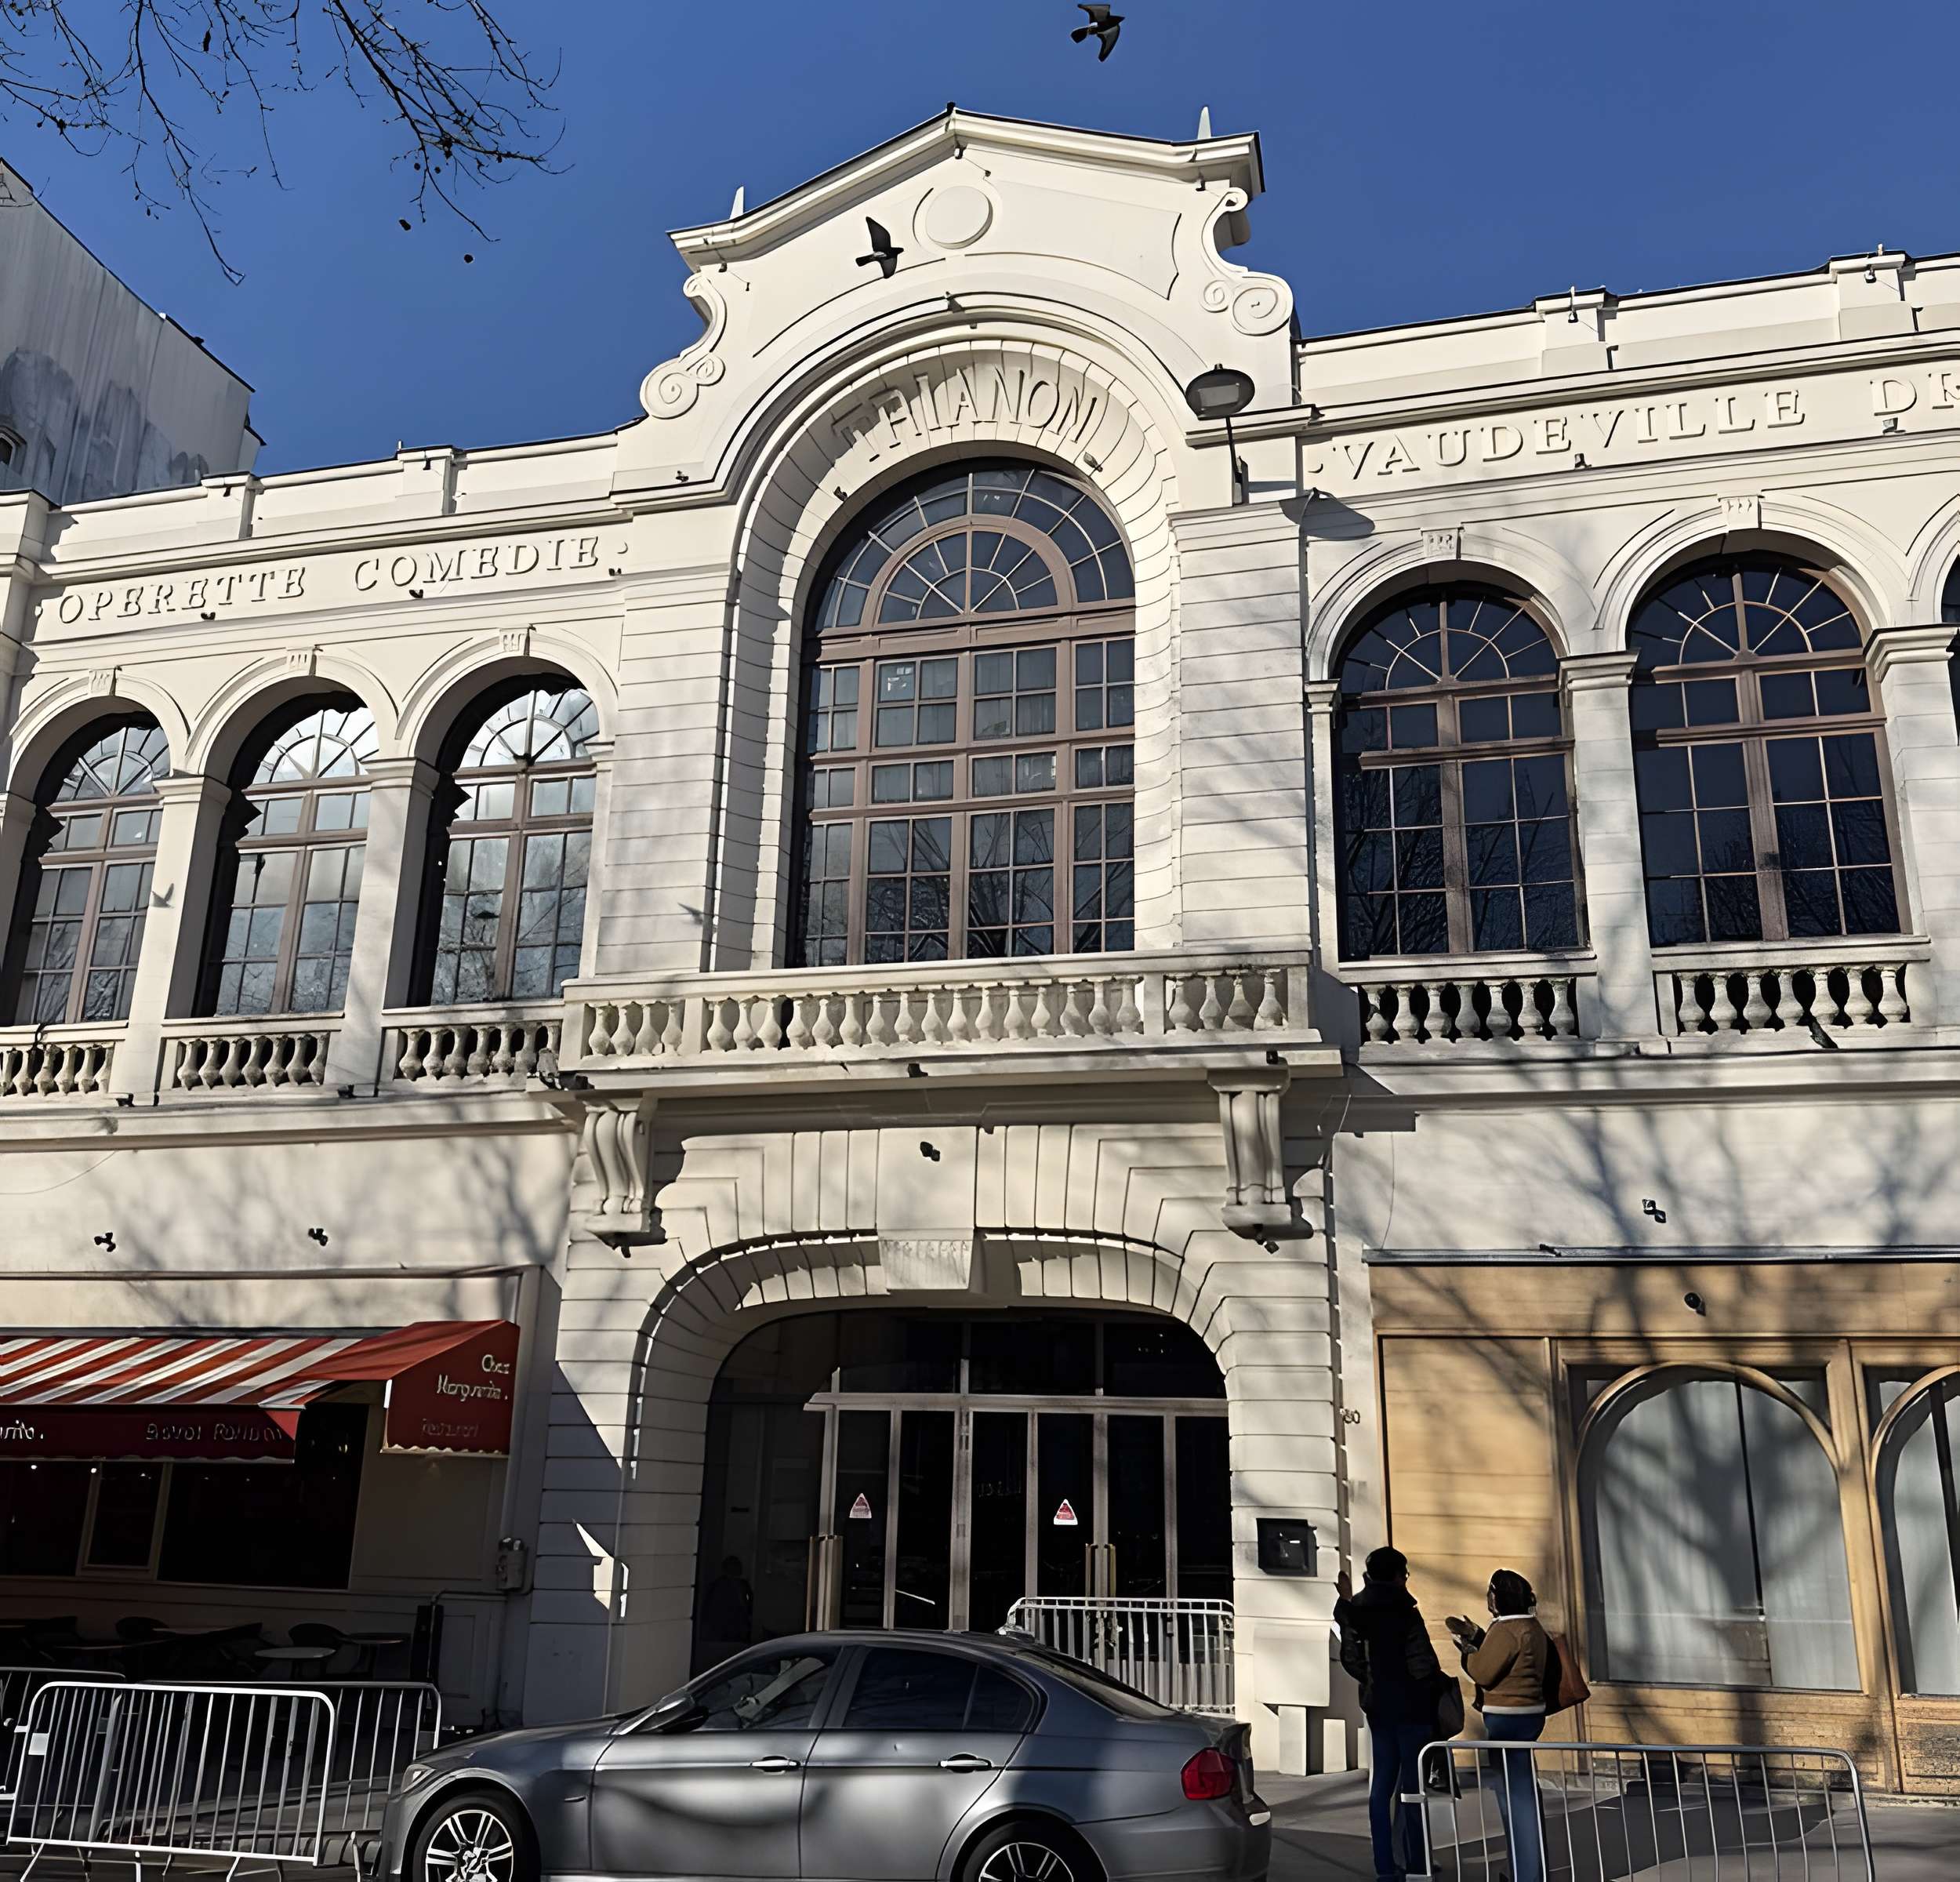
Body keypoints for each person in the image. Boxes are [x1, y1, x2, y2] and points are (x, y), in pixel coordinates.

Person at [1336, 1546, 1446, 1882]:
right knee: (1413, 1789)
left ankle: (1385, 1865)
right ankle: (1417, 1862)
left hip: (1379, 1709)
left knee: (1381, 1787)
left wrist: (1372, 1683)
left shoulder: (1357, 1610)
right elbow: (1423, 1663)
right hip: (1412, 1710)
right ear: (1399, 1576)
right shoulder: (1405, 1610)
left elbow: (1351, 1660)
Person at [1446, 1569, 1550, 1882]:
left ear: (1496, 1599)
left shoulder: (1506, 1630)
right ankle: (1528, 1869)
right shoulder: (1532, 1626)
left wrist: (1467, 1652)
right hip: (1531, 1714)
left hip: (1507, 1717)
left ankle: (1526, 1873)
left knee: (1514, 1798)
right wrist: (1480, 1636)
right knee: (1523, 1792)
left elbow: (1485, 1672)